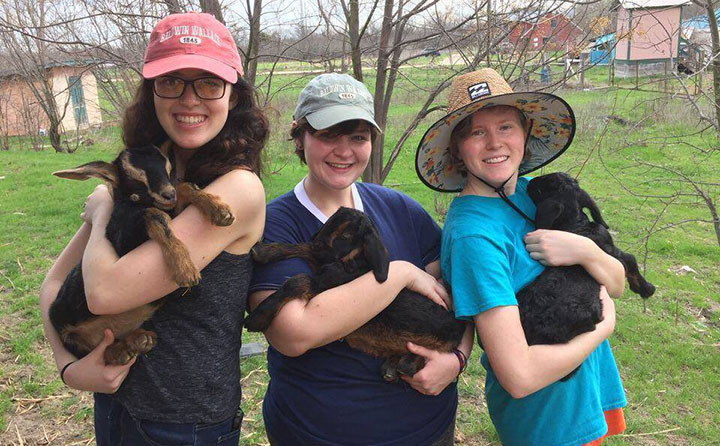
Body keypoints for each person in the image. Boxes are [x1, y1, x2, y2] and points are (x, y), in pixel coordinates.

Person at [38, 12, 268, 445]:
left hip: (185, 424)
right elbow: (52, 283)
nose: (190, 99)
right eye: (171, 81)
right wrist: (68, 366)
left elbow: (104, 293)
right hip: (116, 404)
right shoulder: (143, 171)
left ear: (233, 96)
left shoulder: (239, 188)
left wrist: (105, 208)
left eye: (208, 83)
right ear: (152, 92)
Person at [248, 72, 475, 446]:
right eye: (327, 135)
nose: (344, 151)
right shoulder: (277, 222)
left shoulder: (400, 209)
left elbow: (459, 295)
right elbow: (292, 334)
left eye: (358, 137)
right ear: (299, 137)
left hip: (428, 430)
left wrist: (458, 359)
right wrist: (400, 274)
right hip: (318, 433)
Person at [415, 68, 628, 446]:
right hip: (547, 418)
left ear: (526, 133)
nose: (495, 144)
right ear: (457, 150)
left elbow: (617, 282)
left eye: (506, 127)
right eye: (477, 132)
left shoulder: (538, 194)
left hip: (587, 393)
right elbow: (518, 375)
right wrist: (601, 329)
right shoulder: (473, 236)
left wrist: (586, 250)